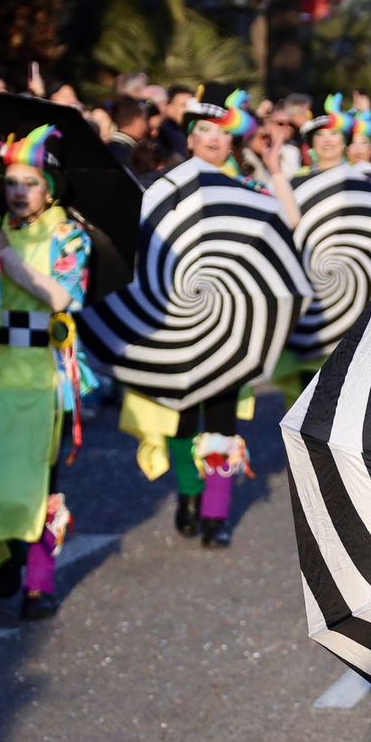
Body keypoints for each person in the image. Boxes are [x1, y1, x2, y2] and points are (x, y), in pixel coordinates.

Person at [120, 84, 295, 550]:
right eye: (203, 130)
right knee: (179, 417)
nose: (213, 139)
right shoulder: (162, 189)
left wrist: (275, 168)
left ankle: (216, 513)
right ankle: (190, 496)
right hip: (174, 318)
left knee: (221, 420)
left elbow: (290, 227)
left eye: (222, 132)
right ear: (190, 137)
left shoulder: (250, 189)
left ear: (232, 140)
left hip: (229, 322)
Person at [0, 123, 91, 620]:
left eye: (31, 182)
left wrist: (10, 261)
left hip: (46, 376)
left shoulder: (68, 234)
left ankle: (39, 584)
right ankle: (6, 555)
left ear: (50, 188)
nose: (18, 192)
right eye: (13, 182)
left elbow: (63, 299)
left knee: (42, 482)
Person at [294, 94, 352, 177]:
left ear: (345, 142)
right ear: (311, 143)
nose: (327, 140)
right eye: (319, 134)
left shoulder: (359, 178)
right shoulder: (299, 179)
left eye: (333, 133)